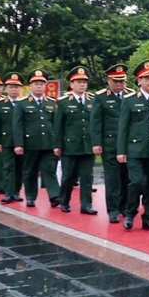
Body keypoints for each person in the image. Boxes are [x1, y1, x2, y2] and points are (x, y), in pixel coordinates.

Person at [117, 60, 149, 231]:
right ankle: (130, 212)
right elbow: (123, 127)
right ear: (139, 81)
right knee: (137, 182)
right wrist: (121, 151)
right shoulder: (130, 100)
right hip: (135, 150)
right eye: (147, 78)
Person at [13, 69, 60, 208]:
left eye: (41, 84)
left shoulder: (51, 102)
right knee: (30, 170)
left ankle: (54, 196)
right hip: (30, 143)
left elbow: (56, 124)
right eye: (36, 84)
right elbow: (17, 125)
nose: (39, 86)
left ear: (45, 86)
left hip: (48, 143)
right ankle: (31, 196)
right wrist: (18, 144)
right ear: (30, 86)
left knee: (49, 169)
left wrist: (57, 143)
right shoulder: (22, 103)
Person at [54, 66, 97, 214]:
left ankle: (86, 205)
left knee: (87, 177)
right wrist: (57, 145)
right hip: (70, 145)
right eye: (78, 82)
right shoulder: (64, 102)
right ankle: (64, 201)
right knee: (68, 176)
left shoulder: (93, 100)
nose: (82, 84)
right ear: (71, 84)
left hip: (88, 145)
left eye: (84, 82)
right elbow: (58, 125)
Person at [91, 64, 130, 223]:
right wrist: (96, 142)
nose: (119, 84)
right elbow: (96, 121)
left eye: (122, 81)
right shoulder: (101, 97)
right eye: (116, 81)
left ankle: (125, 206)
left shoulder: (130, 96)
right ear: (109, 80)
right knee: (112, 178)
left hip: (128, 144)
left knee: (127, 177)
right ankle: (113, 209)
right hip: (110, 143)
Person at [0, 73, 24, 203]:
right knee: (8, 167)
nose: (14, 89)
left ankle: (16, 191)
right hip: (6, 141)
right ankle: (8, 192)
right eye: (11, 87)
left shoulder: (24, 103)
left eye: (16, 87)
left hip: (21, 142)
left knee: (19, 168)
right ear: (6, 89)